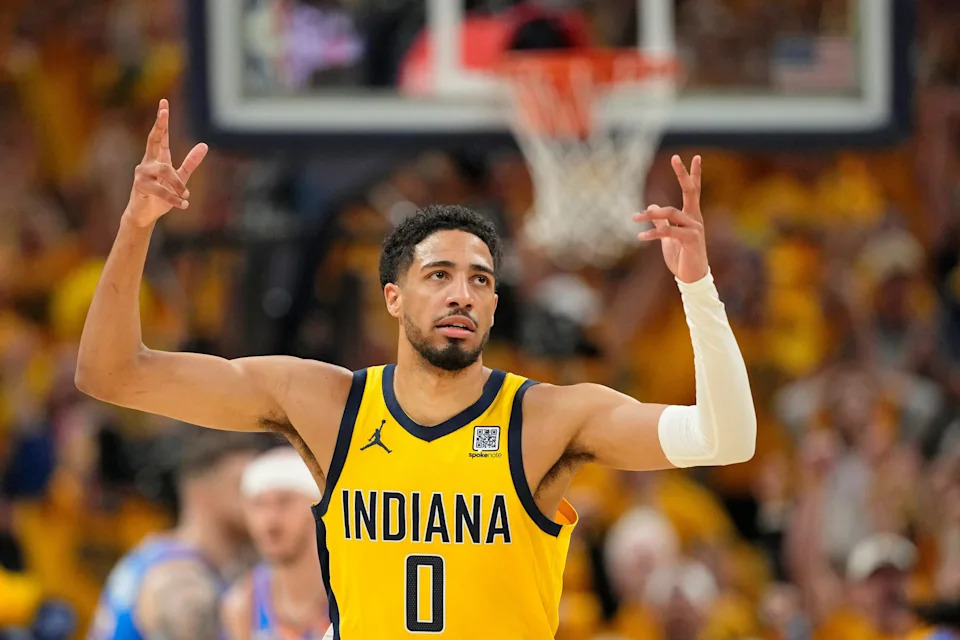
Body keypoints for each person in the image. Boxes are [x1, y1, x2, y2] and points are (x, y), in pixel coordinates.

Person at [76, 99, 757, 638]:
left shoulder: (545, 420)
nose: (463, 292)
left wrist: (696, 286)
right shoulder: (328, 406)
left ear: (493, 309)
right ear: (394, 298)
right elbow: (114, 374)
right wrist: (136, 226)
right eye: (440, 274)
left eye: (481, 281)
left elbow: (725, 440)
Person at [88, 431, 262, 640]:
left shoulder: (165, 556)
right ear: (200, 491)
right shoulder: (177, 579)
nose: (258, 500)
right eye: (241, 485)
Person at [222, 447, 330, 640]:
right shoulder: (243, 605)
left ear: (316, 507)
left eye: (285, 502)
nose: (270, 520)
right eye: (259, 505)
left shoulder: (348, 594)